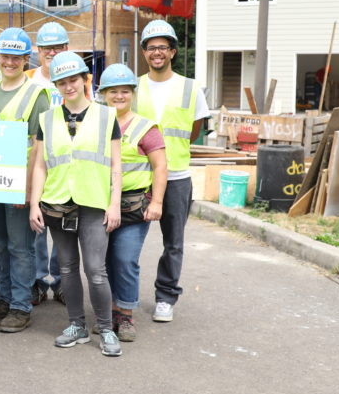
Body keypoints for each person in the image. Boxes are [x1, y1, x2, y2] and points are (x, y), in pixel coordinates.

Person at [29, 51, 124, 357]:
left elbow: (116, 165)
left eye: (73, 80)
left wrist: (115, 204)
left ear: (86, 80)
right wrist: (34, 204)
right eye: (62, 82)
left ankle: (107, 329)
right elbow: (41, 164)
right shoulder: (47, 118)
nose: (68, 87)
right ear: (55, 85)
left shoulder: (107, 116)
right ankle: (77, 325)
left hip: (94, 202)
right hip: (57, 204)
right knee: (67, 269)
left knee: (96, 270)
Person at [133, 20, 209, 323]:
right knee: (127, 241)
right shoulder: (133, 87)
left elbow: (194, 130)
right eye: (151, 47)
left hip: (176, 175)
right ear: (144, 52)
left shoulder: (191, 88)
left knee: (173, 242)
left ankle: (166, 296)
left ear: (173, 51)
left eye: (163, 47)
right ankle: (124, 295)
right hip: (137, 175)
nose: (157, 52)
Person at [0, 28, 50, 333]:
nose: (9, 62)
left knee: (20, 247)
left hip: (18, 183)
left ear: (26, 59)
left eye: (16, 57)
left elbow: (39, 144)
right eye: (4, 56)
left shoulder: (37, 94)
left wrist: (28, 190)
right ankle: (4, 300)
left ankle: (21, 306)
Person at [99, 63, 167, 342]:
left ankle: (124, 314)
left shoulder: (145, 127)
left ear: (133, 94)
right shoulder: (96, 124)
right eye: (113, 91)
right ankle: (107, 314)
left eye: (124, 91)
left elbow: (161, 167)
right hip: (100, 204)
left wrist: (158, 203)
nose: (119, 96)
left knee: (125, 259)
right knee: (101, 262)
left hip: (134, 206)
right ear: (103, 94)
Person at [27, 21, 68, 306]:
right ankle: (38, 281)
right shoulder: (29, 80)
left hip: (66, 164)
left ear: (66, 49)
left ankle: (62, 281)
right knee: (35, 226)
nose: (51, 52)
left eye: (57, 47)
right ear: (37, 51)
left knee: (65, 226)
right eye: (46, 48)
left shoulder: (79, 78)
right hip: (36, 159)